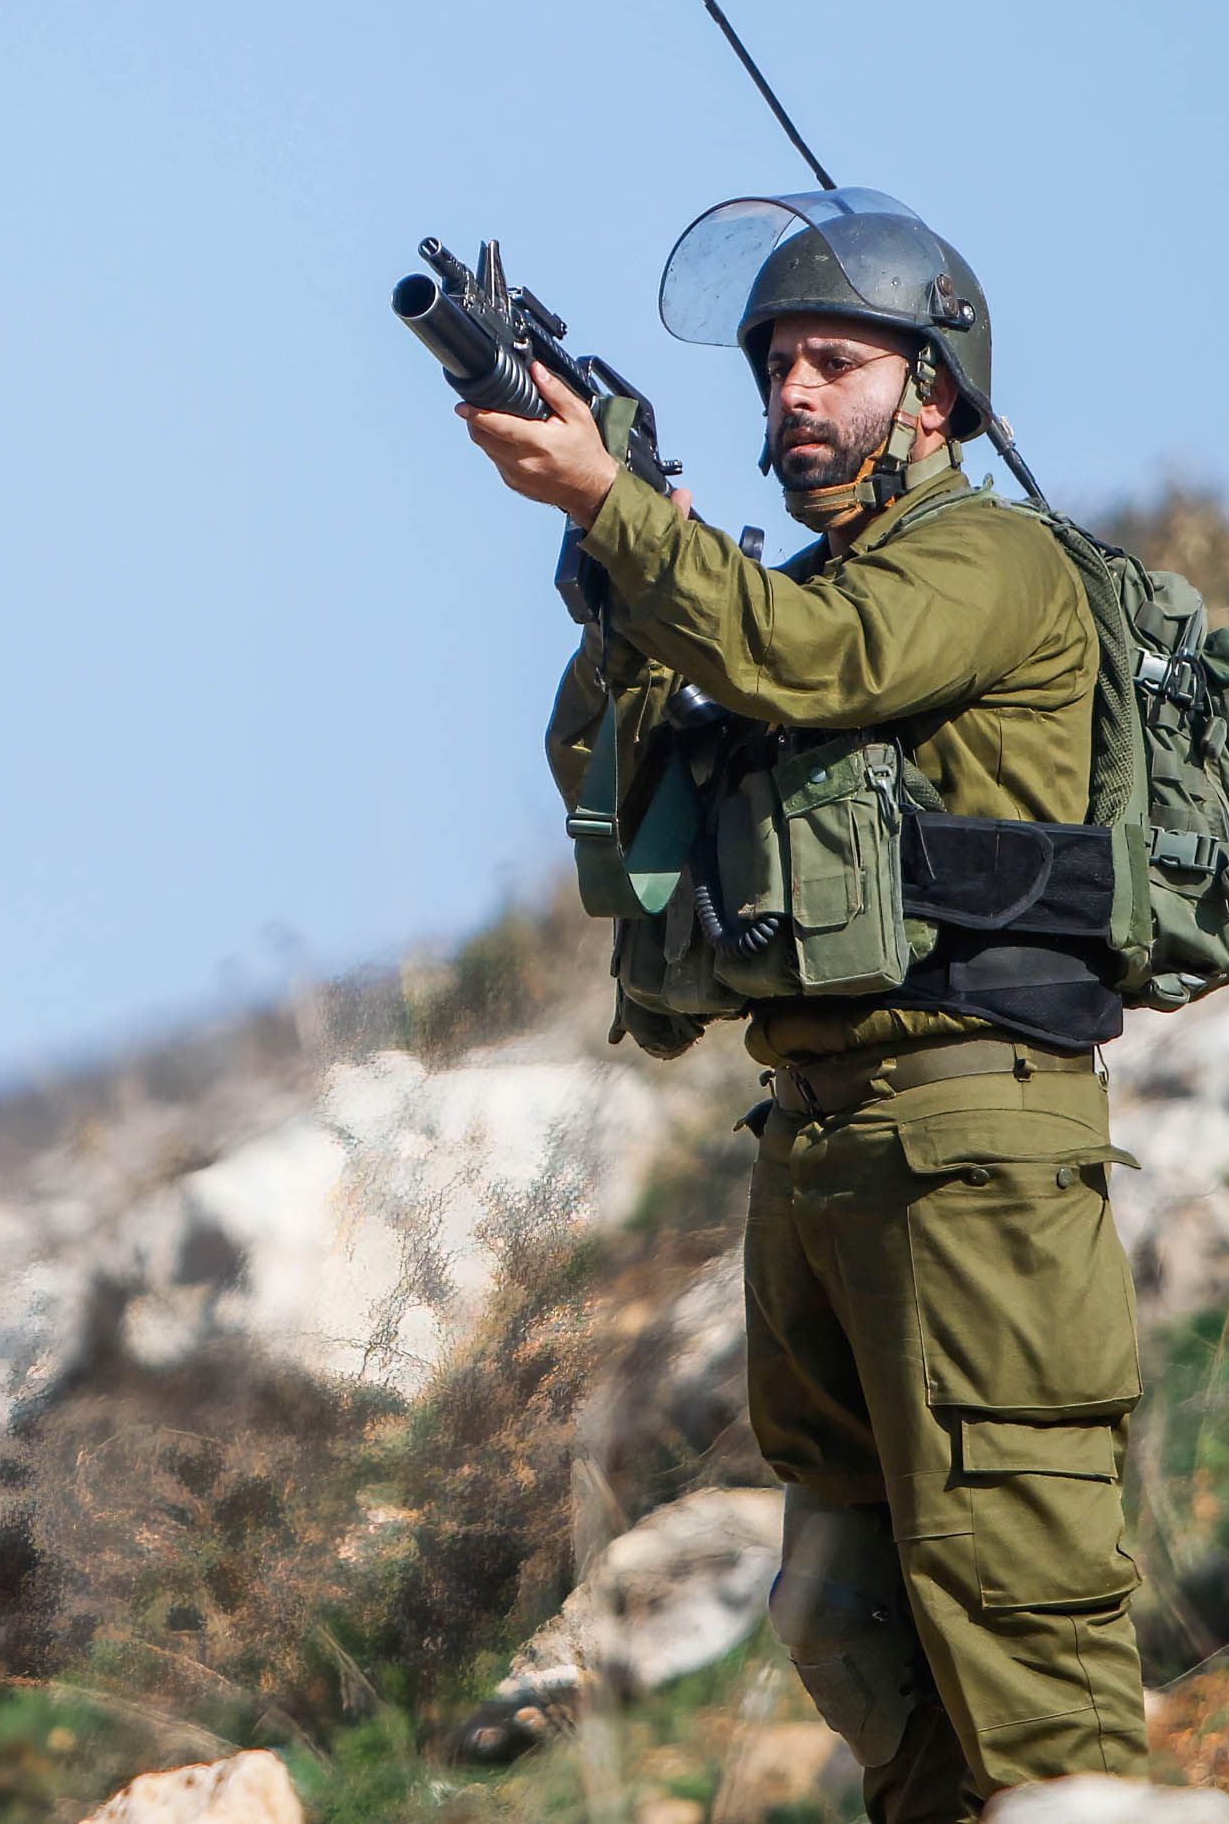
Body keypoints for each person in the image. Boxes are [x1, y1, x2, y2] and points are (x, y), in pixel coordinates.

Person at [458, 193, 1144, 1821]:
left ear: (936, 391)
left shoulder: (984, 563)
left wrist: (632, 518)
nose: (793, 393)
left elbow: (804, 661)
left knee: (1015, 1596)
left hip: (974, 1132)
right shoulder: (792, 590)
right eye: (776, 363)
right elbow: (615, 804)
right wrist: (619, 575)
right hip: (823, 1133)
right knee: (845, 1614)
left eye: (834, 360)